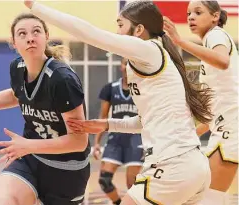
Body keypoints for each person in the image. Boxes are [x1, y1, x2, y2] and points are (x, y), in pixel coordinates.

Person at [24, 0, 214, 204]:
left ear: (139, 29)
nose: (117, 31)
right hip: (194, 166)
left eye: (121, 25)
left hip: (172, 166)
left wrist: (36, 7)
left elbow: (90, 33)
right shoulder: (153, 60)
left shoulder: (148, 50)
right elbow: (145, 121)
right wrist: (107, 124)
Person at [0, 13, 90, 205]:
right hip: (31, 159)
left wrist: (28, 145)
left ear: (46, 36)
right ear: (14, 43)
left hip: (67, 168)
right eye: (22, 33)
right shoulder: (17, 68)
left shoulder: (62, 79)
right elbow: (17, 94)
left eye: (36, 31)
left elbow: (78, 141)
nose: (30, 38)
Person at [163, 1, 238, 204]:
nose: (190, 17)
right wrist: (189, 134)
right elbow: (217, 108)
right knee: (208, 197)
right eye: (188, 14)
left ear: (215, 16)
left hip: (231, 128)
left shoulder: (216, 35)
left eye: (198, 12)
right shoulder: (208, 46)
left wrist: (179, 41)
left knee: (209, 198)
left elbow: (223, 61)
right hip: (224, 125)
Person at [93, 57, 143, 205]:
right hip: (115, 139)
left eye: (131, 63)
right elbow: (103, 118)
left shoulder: (143, 90)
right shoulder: (110, 88)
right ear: (120, 66)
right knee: (104, 181)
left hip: (136, 139)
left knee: (132, 185)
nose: (127, 66)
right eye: (125, 63)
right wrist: (96, 143)